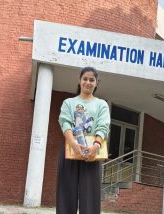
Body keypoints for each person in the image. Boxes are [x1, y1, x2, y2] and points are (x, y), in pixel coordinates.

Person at [56, 67, 111, 214]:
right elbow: (65, 123)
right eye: (85, 79)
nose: (88, 82)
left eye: (91, 80)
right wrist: (73, 143)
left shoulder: (101, 104)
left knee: (90, 196)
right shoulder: (69, 102)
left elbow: (103, 125)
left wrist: (96, 144)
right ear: (79, 81)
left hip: (93, 153)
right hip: (70, 150)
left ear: (96, 83)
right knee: (66, 193)